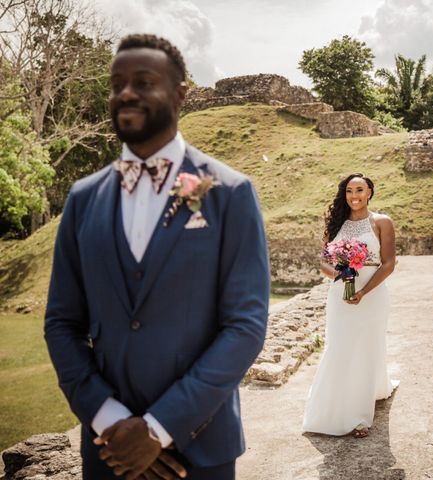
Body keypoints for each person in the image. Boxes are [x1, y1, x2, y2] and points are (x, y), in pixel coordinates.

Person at [44, 34, 269, 480]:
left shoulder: (230, 193)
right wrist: (110, 420)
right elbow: (61, 323)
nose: (126, 93)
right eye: (117, 83)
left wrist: (158, 428)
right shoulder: (83, 199)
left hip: (199, 451)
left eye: (144, 82)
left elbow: (245, 325)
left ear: (181, 92)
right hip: (108, 453)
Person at [302, 173, 399, 439]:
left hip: (373, 294)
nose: (354, 196)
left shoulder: (381, 222)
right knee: (339, 347)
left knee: (367, 348)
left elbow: (389, 263)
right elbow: (323, 263)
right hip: (340, 294)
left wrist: (364, 291)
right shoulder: (337, 223)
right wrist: (340, 276)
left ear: (369, 192)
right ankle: (331, 407)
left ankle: (358, 416)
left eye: (359, 190)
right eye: (349, 191)